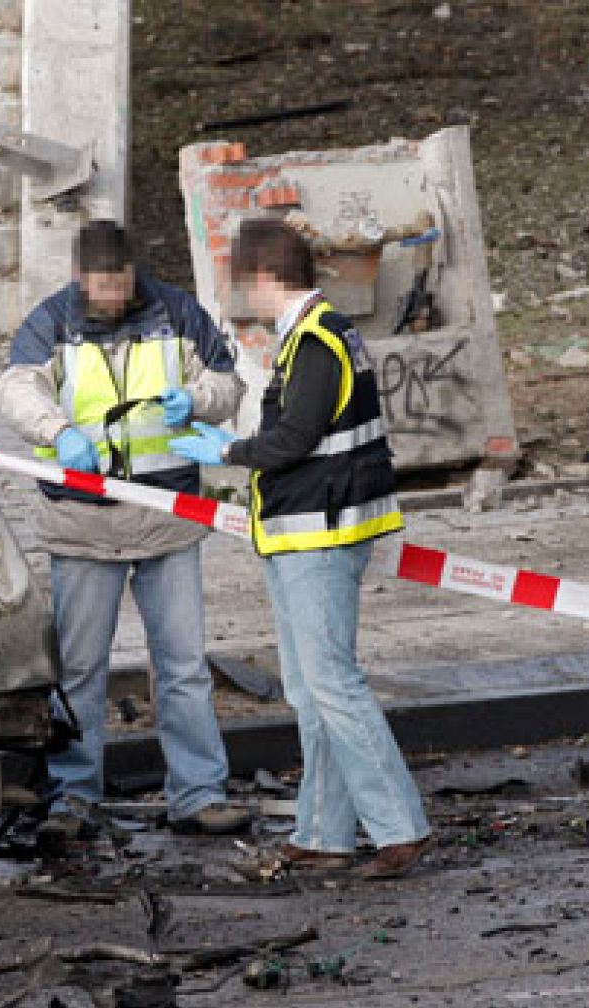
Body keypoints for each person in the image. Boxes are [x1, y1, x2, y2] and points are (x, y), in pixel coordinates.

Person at [170, 218, 433, 879]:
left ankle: (399, 827)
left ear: (263, 278)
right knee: (311, 691)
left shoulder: (316, 341)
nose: (238, 296)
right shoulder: (315, 336)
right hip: (304, 533)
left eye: (241, 283)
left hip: (320, 536)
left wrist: (225, 450)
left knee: (333, 685)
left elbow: (292, 441)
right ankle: (324, 831)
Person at [0, 220, 250, 845]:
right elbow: (15, 388)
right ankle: (72, 797)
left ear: (134, 272)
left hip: (168, 518)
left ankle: (199, 794)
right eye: (101, 285)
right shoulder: (51, 322)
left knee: (184, 667)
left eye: (121, 283)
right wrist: (58, 431)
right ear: (81, 277)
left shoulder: (177, 312)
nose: (112, 296)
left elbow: (228, 383)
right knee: (81, 670)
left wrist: (196, 400)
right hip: (83, 523)